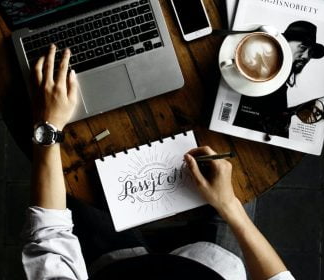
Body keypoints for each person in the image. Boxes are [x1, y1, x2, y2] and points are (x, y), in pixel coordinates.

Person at [21, 44, 296, 280]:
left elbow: (49, 235)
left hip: (115, 265)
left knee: (78, 186)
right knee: (242, 155)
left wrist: (49, 125)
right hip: (214, 263)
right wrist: (229, 206)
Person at [233, 20, 324, 139]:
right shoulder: (262, 78)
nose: (306, 56)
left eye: (311, 52)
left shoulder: (280, 86)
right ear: (284, 43)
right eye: (303, 47)